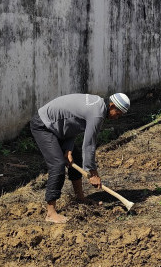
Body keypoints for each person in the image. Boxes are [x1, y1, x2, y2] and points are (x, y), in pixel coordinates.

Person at [30, 92, 130, 223]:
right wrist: (92, 172)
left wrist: (68, 148)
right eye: (118, 113)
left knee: (75, 158)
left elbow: (72, 123)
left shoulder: (98, 105)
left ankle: (80, 197)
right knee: (58, 165)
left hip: (59, 127)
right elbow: (89, 145)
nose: (118, 117)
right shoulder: (97, 113)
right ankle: (51, 212)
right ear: (111, 106)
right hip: (44, 125)